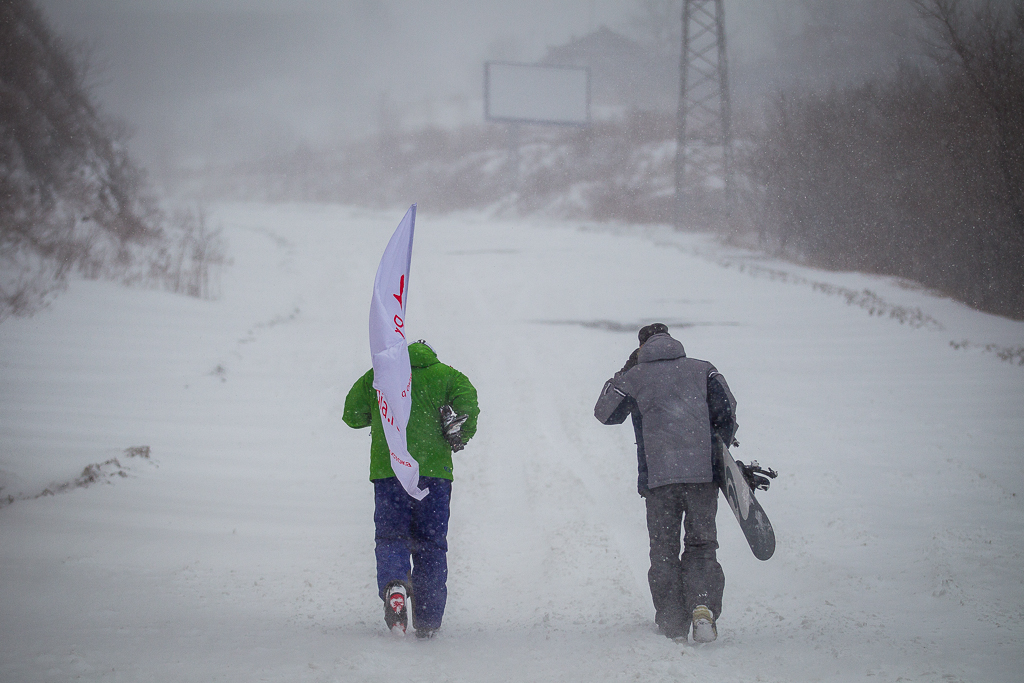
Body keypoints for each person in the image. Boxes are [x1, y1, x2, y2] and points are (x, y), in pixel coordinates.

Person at [594, 323, 737, 643]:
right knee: (702, 545)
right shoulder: (703, 370)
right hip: (702, 478)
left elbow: (605, 413)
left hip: (660, 482)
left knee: (664, 551)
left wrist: (627, 369)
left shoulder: (635, 376)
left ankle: (672, 621)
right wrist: (717, 451)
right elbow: (727, 410)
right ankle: (702, 606)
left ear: (641, 347)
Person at [343, 340, 479, 638]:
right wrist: (458, 433)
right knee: (431, 544)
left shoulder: (379, 375)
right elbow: (469, 407)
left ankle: (394, 585)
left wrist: (379, 417)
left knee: (392, 537)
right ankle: (428, 621)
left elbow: (351, 415)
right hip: (434, 476)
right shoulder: (449, 376)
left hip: (390, 472)